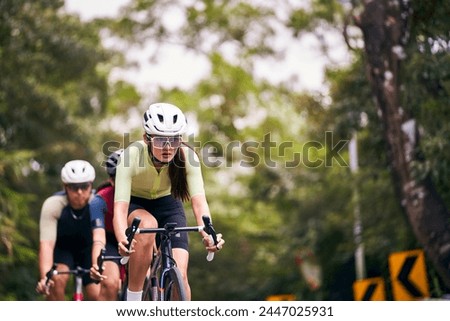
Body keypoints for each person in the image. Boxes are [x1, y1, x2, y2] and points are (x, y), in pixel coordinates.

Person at [113, 102, 225, 301]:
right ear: (146, 138)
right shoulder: (130, 156)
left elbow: (199, 204)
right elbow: (120, 211)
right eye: (160, 141)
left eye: (174, 140)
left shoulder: (187, 157)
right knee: (148, 225)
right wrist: (123, 238)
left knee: (180, 275)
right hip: (137, 203)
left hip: (168, 205)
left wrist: (209, 234)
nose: (167, 147)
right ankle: (133, 299)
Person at [36, 160, 102, 300]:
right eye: (73, 187)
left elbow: (101, 238)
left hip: (89, 251)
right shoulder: (52, 205)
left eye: (84, 186)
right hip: (63, 250)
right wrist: (44, 279)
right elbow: (46, 245)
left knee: (97, 293)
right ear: (65, 187)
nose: (79, 192)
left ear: (91, 185)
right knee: (55, 281)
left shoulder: (97, 203)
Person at [89, 150, 124, 300]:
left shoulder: (146, 196)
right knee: (110, 283)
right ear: (111, 180)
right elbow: (99, 238)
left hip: (139, 238)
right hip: (110, 241)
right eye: (120, 179)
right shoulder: (99, 201)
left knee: (147, 282)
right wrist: (97, 264)